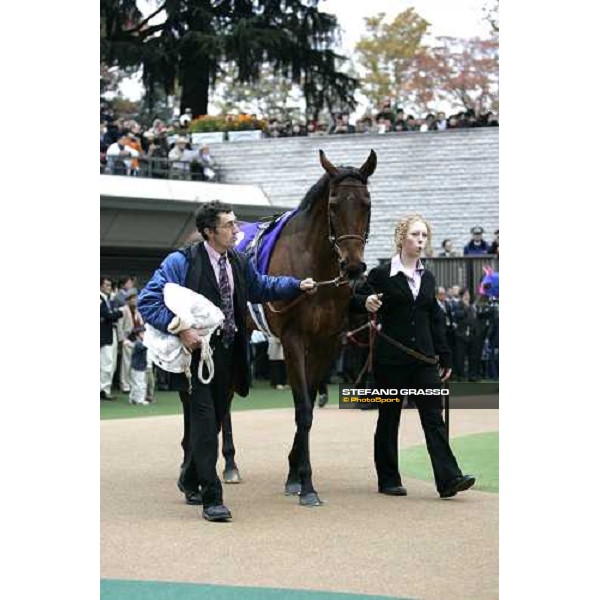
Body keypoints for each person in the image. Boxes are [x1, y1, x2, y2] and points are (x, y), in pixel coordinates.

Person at [137, 200, 316, 522]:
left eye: (235, 224)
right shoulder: (180, 262)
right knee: (206, 423)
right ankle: (212, 498)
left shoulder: (238, 261)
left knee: (214, 420)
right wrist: (181, 328)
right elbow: (147, 301)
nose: (237, 230)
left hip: (230, 354)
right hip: (196, 355)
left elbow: (260, 287)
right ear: (209, 232)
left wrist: (295, 285)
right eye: (230, 225)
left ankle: (189, 477)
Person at [350, 215, 475, 499]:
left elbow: (435, 319)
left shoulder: (428, 277)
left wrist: (445, 357)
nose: (420, 240)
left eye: (424, 236)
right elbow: (354, 300)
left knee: (433, 418)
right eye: (415, 234)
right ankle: (388, 479)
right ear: (401, 237)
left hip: (424, 361)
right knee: (389, 418)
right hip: (390, 361)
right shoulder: (382, 274)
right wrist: (364, 301)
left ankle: (448, 479)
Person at [100, 276, 123, 400]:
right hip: (104, 334)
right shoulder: (100, 299)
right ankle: (104, 389)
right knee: (106, 362)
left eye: (110, 285)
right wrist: (116, 313)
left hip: (110, 331)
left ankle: (105, 388)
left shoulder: (110, 299)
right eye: (107, 285)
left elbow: (110, 315)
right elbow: (106, 314)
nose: (109, 288)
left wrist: (113, 314)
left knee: (110, 362)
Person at [125, 327, 150, 406]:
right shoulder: (139, 343)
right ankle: (139, 399)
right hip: (138, 367)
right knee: (140, 383)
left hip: (138, 366)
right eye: (143, 333)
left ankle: (133, 398)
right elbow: (144, 346)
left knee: (136, 383)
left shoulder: (139, 342)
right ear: (139, 335)